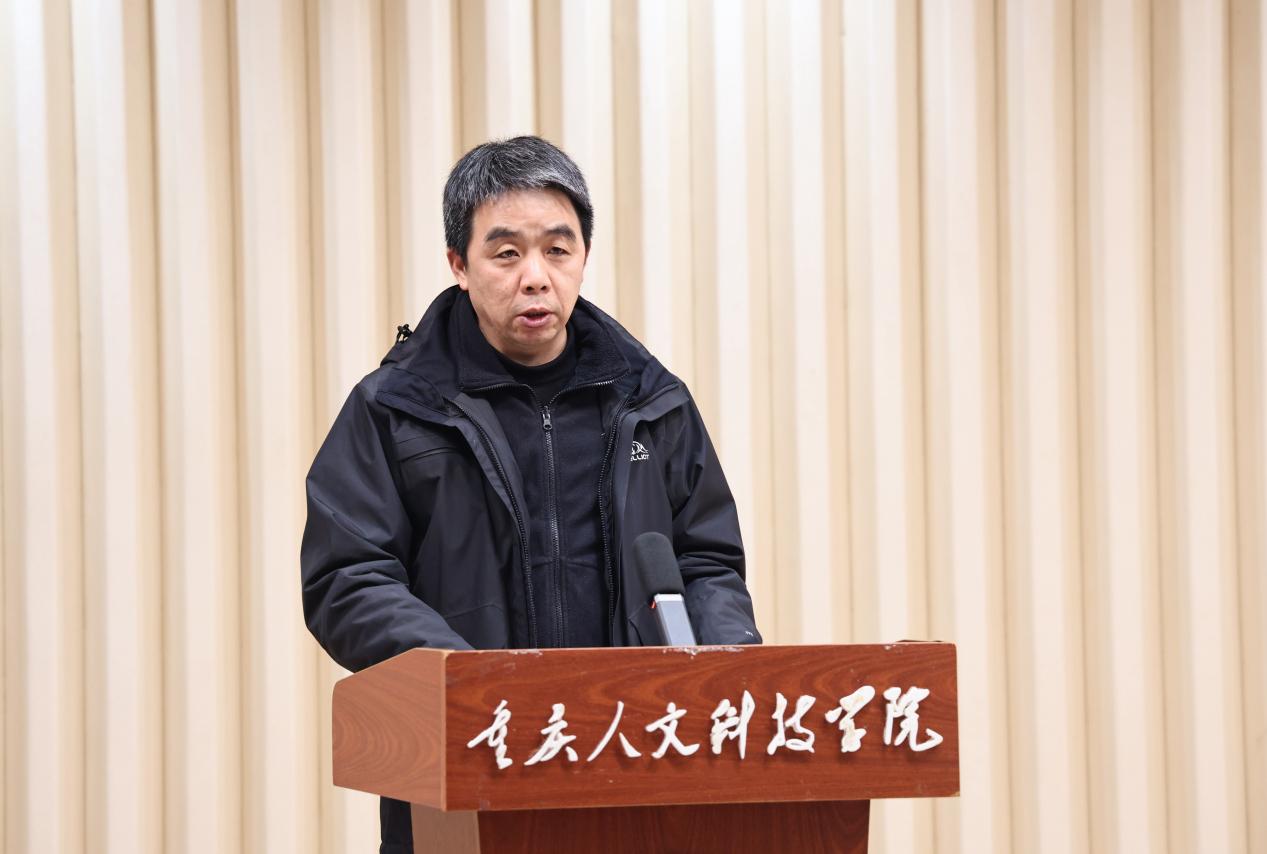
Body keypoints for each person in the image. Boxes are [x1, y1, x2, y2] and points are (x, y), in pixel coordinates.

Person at [301, 135, 761, 853]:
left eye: (557, 249)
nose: (536, 277)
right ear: (459, 264)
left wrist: (725, 669)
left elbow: (705, 561)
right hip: (467, 764)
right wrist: (468, 685)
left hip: (633, 763)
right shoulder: (394, 409)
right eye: (506, 253)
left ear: (584, 256)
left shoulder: (652, 402)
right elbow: (348, 576)